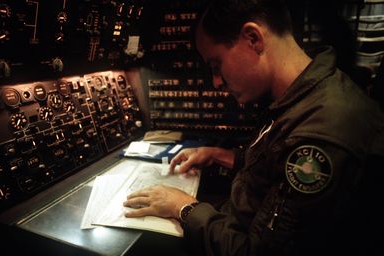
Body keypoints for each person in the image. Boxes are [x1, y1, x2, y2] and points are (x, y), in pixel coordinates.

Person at [123, 0, 384, 255]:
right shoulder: (304, 96)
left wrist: (183, 207)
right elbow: (273, 169)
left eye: (216, 66)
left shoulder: (319, 136)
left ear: (253, 39)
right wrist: (220, 155)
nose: (216, 82)